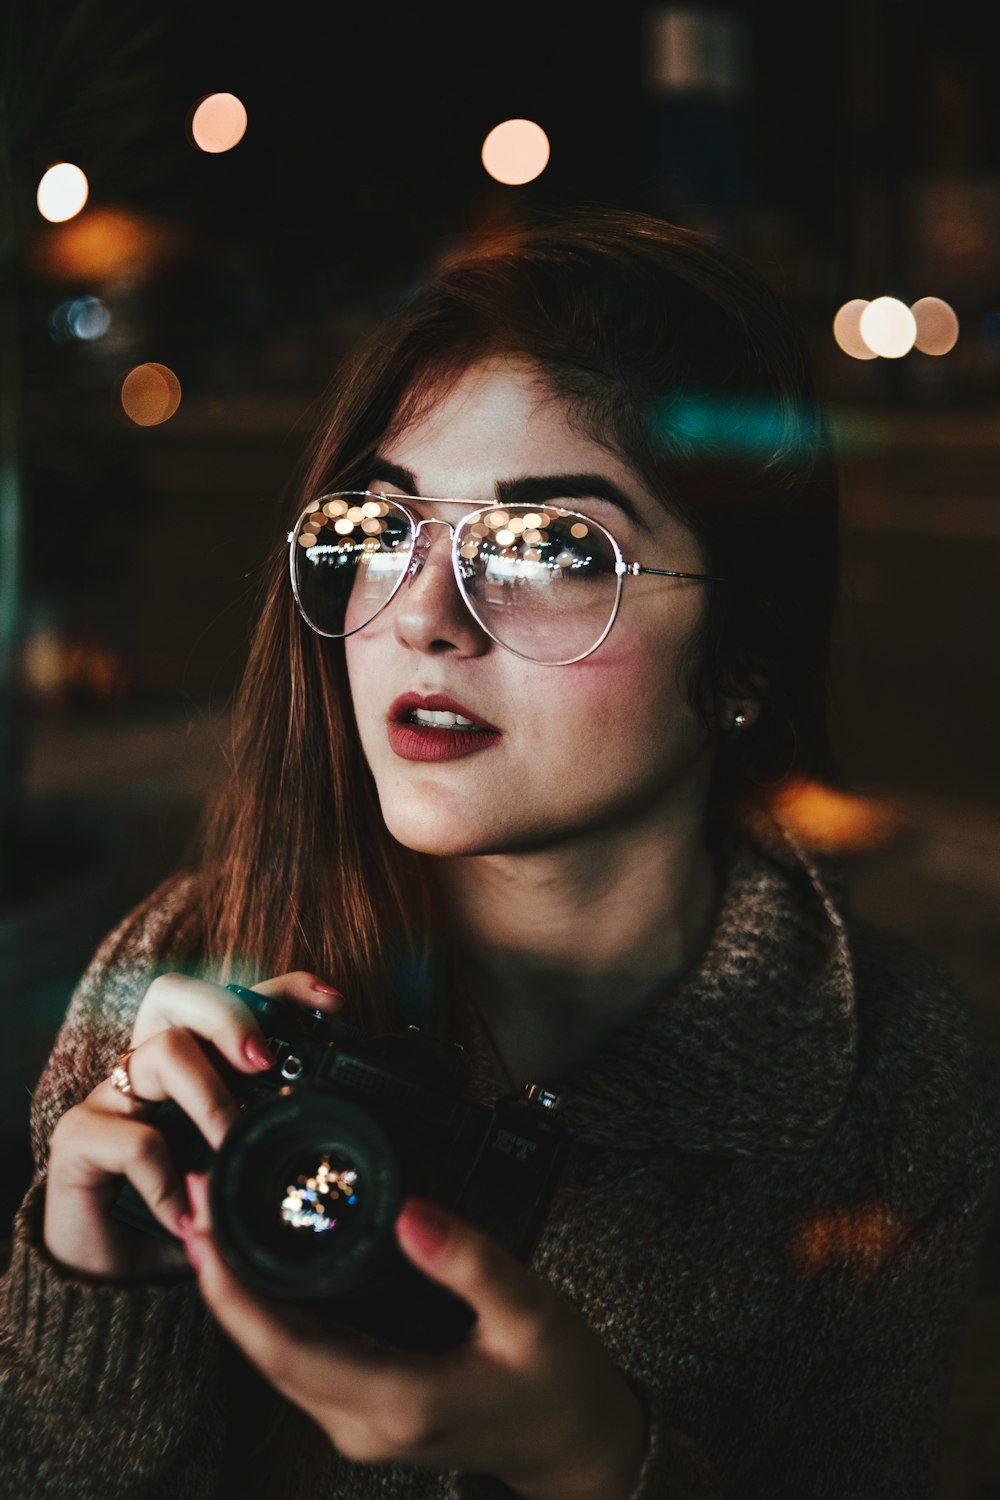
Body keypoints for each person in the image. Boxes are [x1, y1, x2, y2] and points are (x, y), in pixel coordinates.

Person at [1, 203, 998, 1500]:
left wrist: (596, 1461)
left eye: (549, 548)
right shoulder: (188, 980)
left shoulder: (892, 1074)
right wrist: (94, 1294)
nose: (421, 615)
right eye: (385, 524)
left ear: (745, 649)